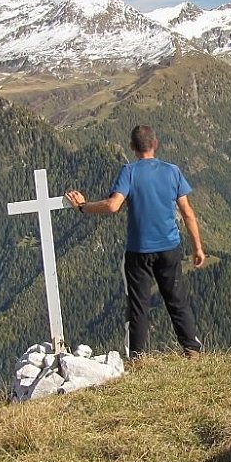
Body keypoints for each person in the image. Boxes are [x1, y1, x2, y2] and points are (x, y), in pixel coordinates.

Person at [66, 125, 206, 359]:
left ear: (132, 147)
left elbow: (112, 206)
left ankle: (138, 358)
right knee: (176, 298)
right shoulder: (172, 172)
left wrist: (83, 206)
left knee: (139, 306)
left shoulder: (129, 172)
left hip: (139, 250)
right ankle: (191, 349)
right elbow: (188, 212)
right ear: (156, 143)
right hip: (170, 247)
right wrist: (198, 247)